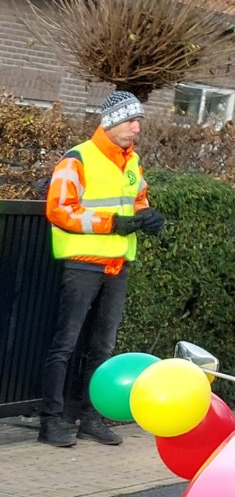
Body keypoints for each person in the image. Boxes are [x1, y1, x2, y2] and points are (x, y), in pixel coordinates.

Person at [38, 91, 163, 447]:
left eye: (138, 121)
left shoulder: (132, 161)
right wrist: (112, 223)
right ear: (110, 122)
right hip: (83, 263)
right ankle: (51, 421)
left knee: (102, 348)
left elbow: (137, 200)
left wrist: (146, 216)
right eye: (130, 121)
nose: (136, 128)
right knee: (65, 345)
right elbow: (59, 209)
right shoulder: (77, 158)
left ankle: (90, 417)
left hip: (116, 265)